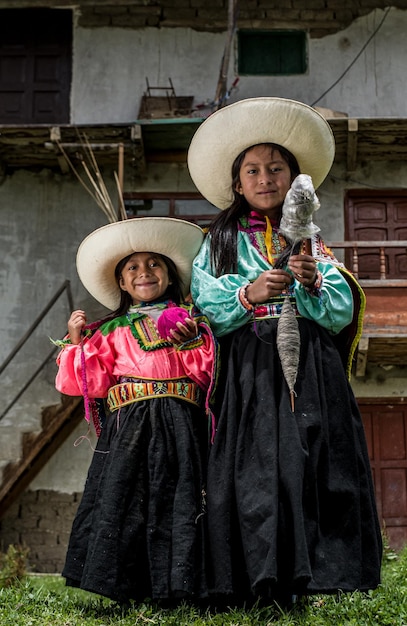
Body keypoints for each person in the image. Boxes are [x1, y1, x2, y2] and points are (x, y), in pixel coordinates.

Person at [187, 97, 382, 607]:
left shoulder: (312, 242)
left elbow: (340, 308)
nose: (265, 177)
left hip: (310, 366)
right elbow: (203, 298)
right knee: (254, 467)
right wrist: (249, 294)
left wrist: (313, 280)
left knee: (313, 461)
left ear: (295, 179)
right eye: (252, 170)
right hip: (252, 368)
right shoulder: (220, 239)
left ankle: (317, 576)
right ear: (237, 183)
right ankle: (255, 579)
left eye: (276, 168)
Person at [54, 217, 218, 605]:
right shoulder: (110, 331)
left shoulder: (193, 323)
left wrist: (192, 341)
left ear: (171, 275)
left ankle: (181, 587)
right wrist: (76, 343)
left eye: (154, 264)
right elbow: (83, 383)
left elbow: (210, 371)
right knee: (126, 501)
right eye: (133, 268)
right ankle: (127, 588)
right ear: (123, 284)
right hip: (128, 427)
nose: (144, 272)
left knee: (182, 500)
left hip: (182, 425)